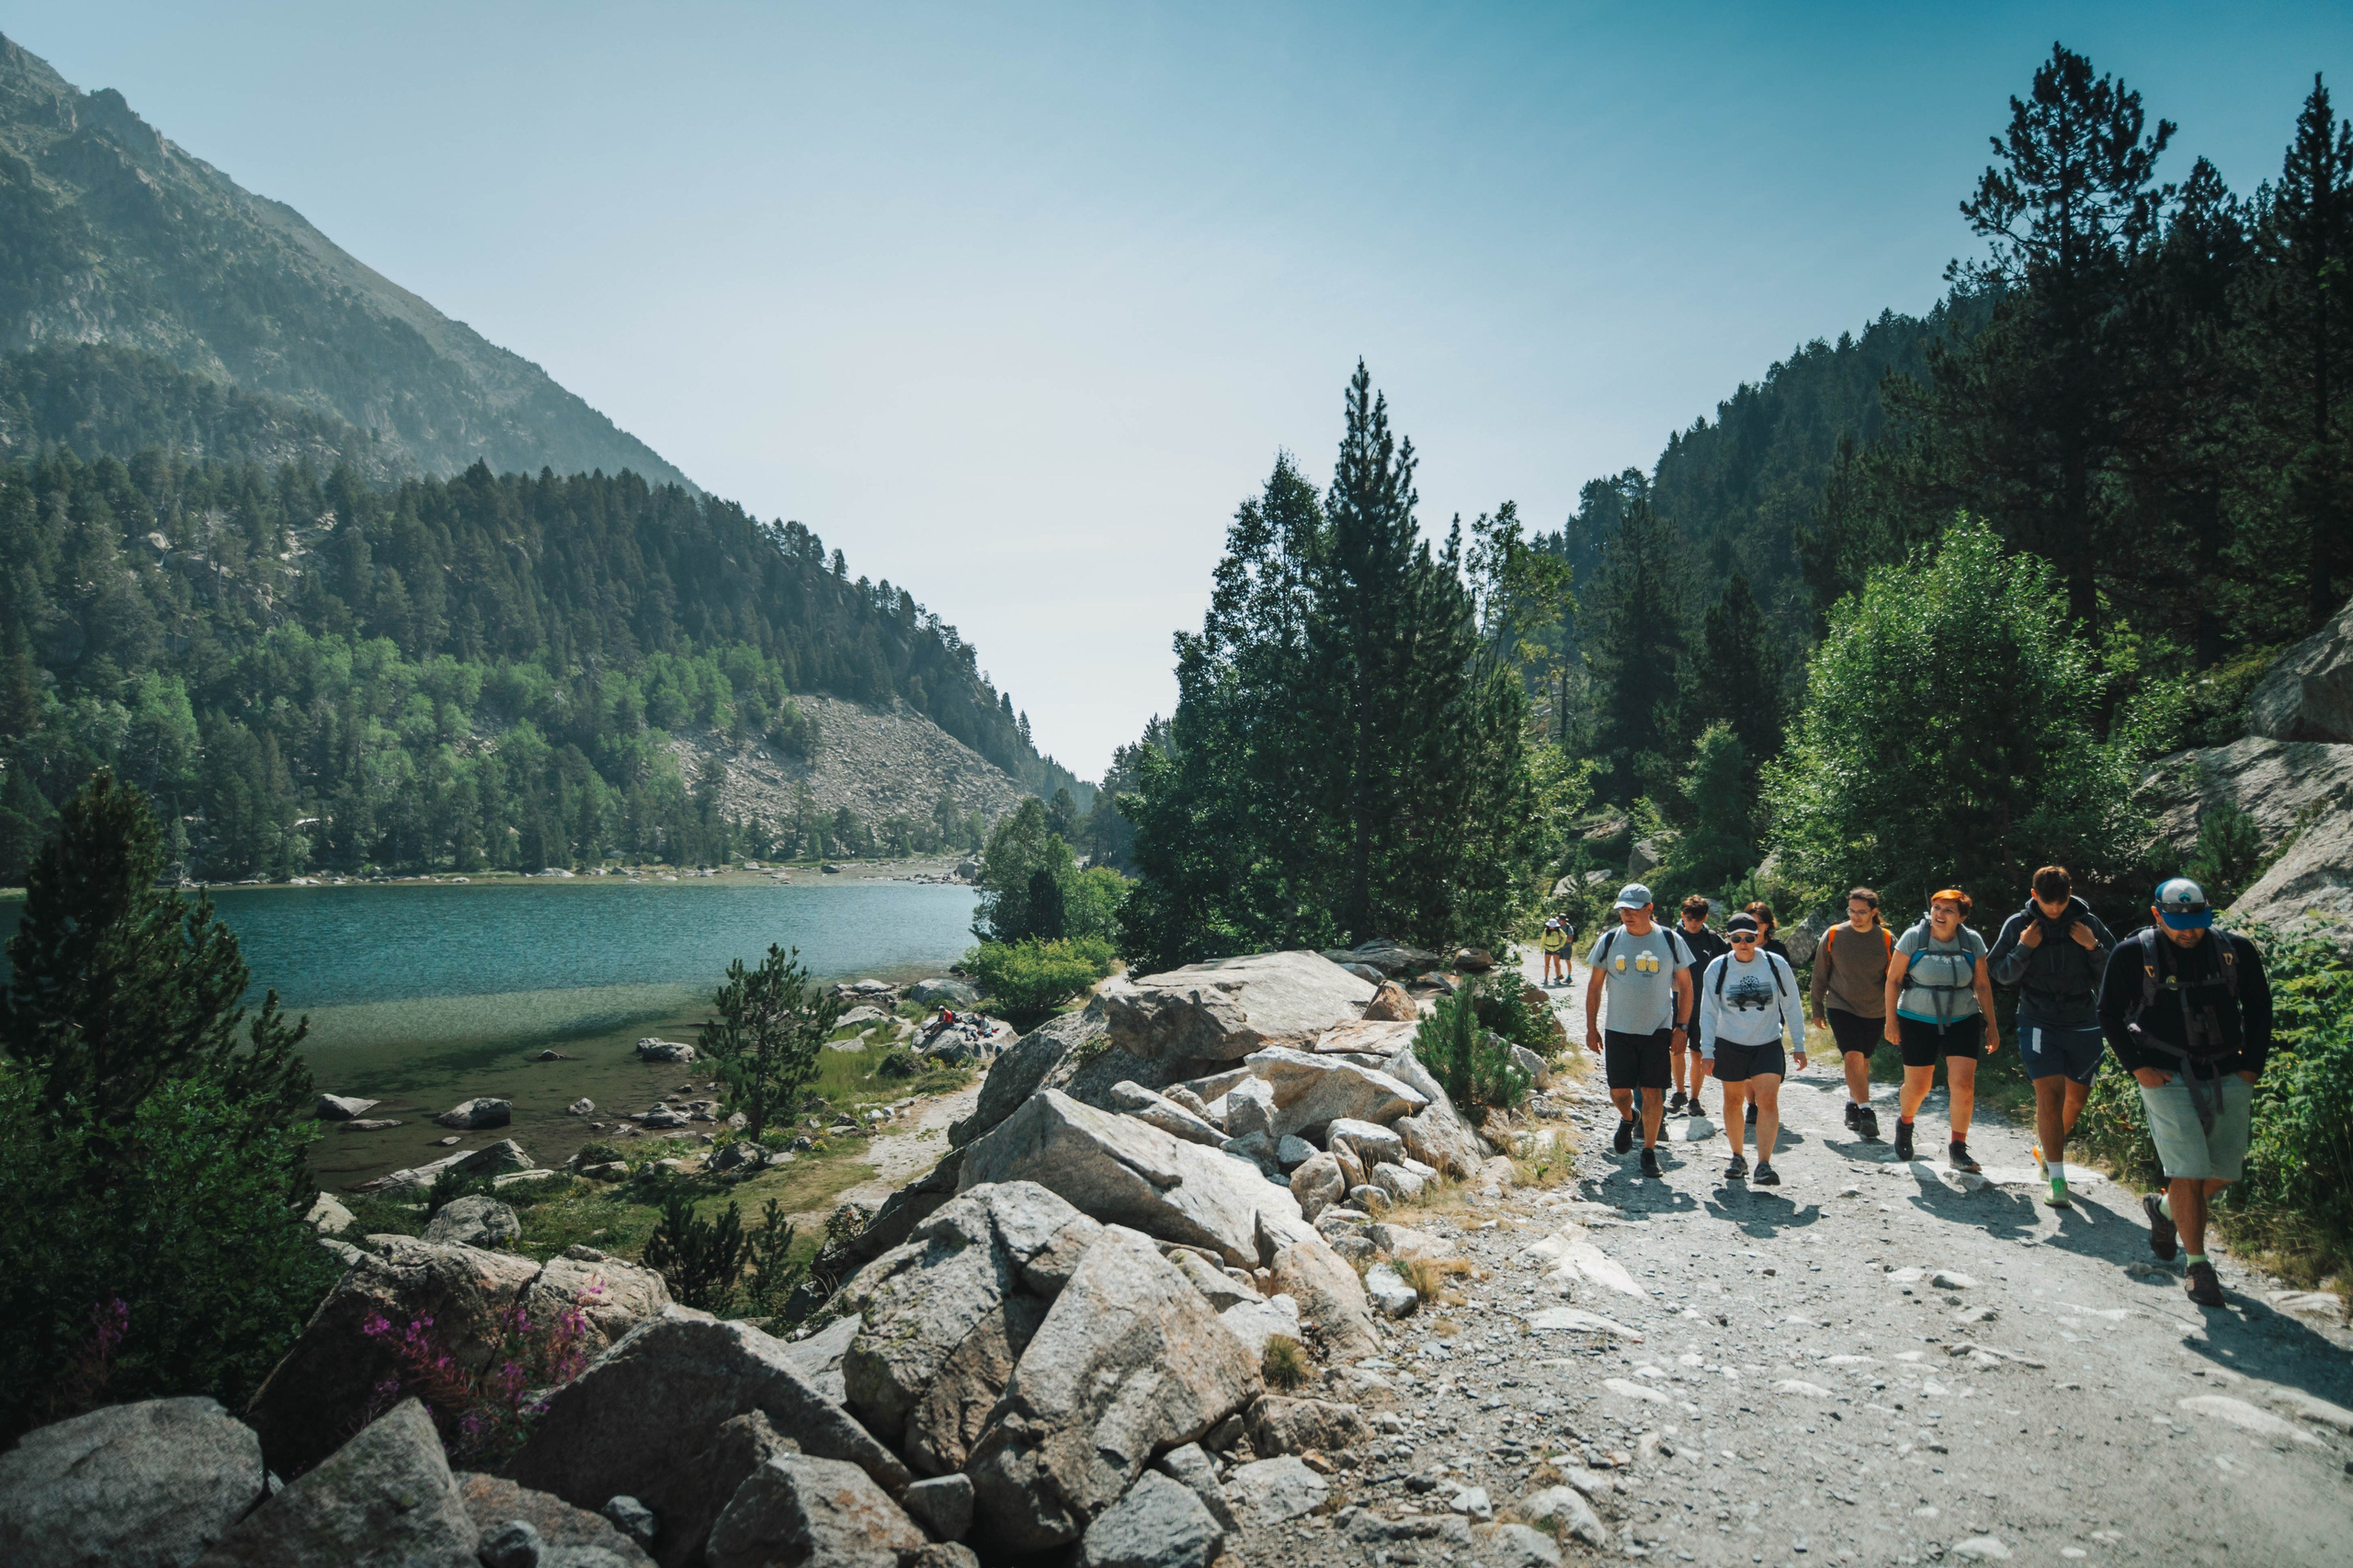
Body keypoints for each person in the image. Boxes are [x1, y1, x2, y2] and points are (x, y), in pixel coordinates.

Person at [2098, 878, 2272, 1308]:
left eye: (2196, 921)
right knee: (2189, 1170)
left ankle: (2164, 1211)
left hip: (2228, 1071)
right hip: (2166, 1076)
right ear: (2157, 914)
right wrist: (2138, 1068)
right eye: (2177, 922)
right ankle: (2198, 1267)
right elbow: (2108, 1013)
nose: (2188, 930)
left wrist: (2252, 1066)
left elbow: (2259, 1007)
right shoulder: (2133, 954)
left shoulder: (2235, 951)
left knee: (2225, 1170)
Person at [1988, 865, 2117, 1208]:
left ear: (2070, 893)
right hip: (2037, 1019)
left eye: (2061, 903)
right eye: (2048, 904)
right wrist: (2023, 948)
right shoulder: (2019, 925)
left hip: (2083, 1019)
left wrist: (2093, 948)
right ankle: (2057, 1179)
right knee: (2049, 1096)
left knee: (2076, 1098)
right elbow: (2000, 974)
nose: (2055, 910)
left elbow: (2116, 974)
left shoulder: (2088, 923)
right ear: (2034, 896)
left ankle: (2046, 1149)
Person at [1584, 882, 1696, 1180]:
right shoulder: (1609, 940)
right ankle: (1628, 1117)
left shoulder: (1670, 940)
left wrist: (1682, 1027)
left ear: (1649, 909)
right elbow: (1594, 987)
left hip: (1657, 1029)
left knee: (1652, 1091)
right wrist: (1591, 1028)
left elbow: (1686, 986)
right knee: (1619, 1092)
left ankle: (1649, 1152)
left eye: (1633, 909)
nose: (1627, 915)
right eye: (1622, 909)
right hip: (1618, 1029)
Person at [1881, 888, 1999, 1170]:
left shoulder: (1971, 942)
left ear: (1961, 917)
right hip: (1916, 1017)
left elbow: (1982, 984)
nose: (1940, 914)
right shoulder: (1914, 938)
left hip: (1963, 1017)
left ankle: (1958, 1148)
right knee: (1919, 1085)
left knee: (1963, 1085)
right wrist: (1891, 1020)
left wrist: (1992, 1026)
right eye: (1936, 908)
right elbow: (1893, 980)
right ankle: (1906, 1122)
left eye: (1947, 910)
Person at [1699, 913, 1808, 1185]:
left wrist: (1799, 1044)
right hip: (1730, 1043)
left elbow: (1791, 1004)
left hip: (1767, 1042)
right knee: (1733, 1101)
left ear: (1758, 937)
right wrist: (1707, 1050)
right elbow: (1708, 1012)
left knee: (1768, 1100)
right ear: (1729, 940)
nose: (1744, 943)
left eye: (1749, 938)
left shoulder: (1774, 964)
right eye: (1737, 939)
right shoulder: (1717, 968)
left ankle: (1764, 1164)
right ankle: (1737, 1156)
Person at [1809, 887, 1893, 1142]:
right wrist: (1817, 1008)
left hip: (1875, 1008)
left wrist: (1896, 1013)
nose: (1855, 916)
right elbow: (1819, 974)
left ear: (1873, 912)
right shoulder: (1834, 934)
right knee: (1853, 1056)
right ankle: (1867, 1111)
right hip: (1841, 1005)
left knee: (1864, 1061)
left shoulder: (1887, 939)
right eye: (1852, 911)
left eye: (1861, 912)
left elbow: (1894, 979)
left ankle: (1852, 1104)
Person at [1672, 896, 1728, 1115]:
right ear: (1682, 917)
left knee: (1697, 1053)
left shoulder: (1713, 941)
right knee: (1676, 1049)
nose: (1692, 924)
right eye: (1688, 919)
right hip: (1676, 1003)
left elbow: (1726, 967)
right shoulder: (1673, 938)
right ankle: (1679, 1092)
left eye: (1697, 919)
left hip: (1705, 1006)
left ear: (1705, 918)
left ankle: (1694, 1098)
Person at [1540, 914, 1570, 986]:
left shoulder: (1559, 930)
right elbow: (1543, 940)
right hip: (1547, 948)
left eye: (1552, 926)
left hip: (1556, 948)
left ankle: (1557, 979)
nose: (1551, 927)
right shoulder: (1546, 931)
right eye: (1550, 925)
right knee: (1547, 964)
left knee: (1556, 964)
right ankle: (1546, 979)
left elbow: (1565, 936)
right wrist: (1541, 948)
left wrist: (1561, 945)